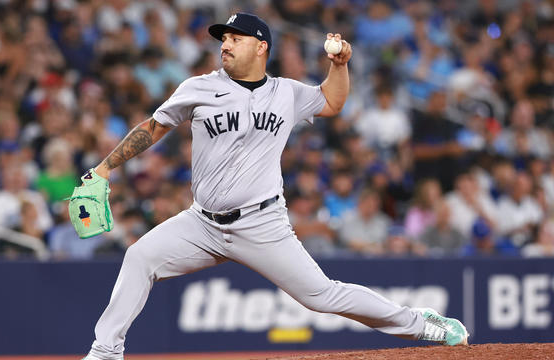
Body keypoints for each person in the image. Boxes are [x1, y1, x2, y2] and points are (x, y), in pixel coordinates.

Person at [83, 13, 468, 359]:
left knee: (322, 296)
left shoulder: (286, 92)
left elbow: (332, 102)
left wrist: (340, 66)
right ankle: (105, 352)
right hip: (202, 223)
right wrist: (105, 166)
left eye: (235, 38)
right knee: (139, 258)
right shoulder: (198, 87)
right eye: (224, 39)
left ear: (261, 46)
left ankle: (420, 323)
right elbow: (153, 128)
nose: (226, 44)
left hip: (261, 223)